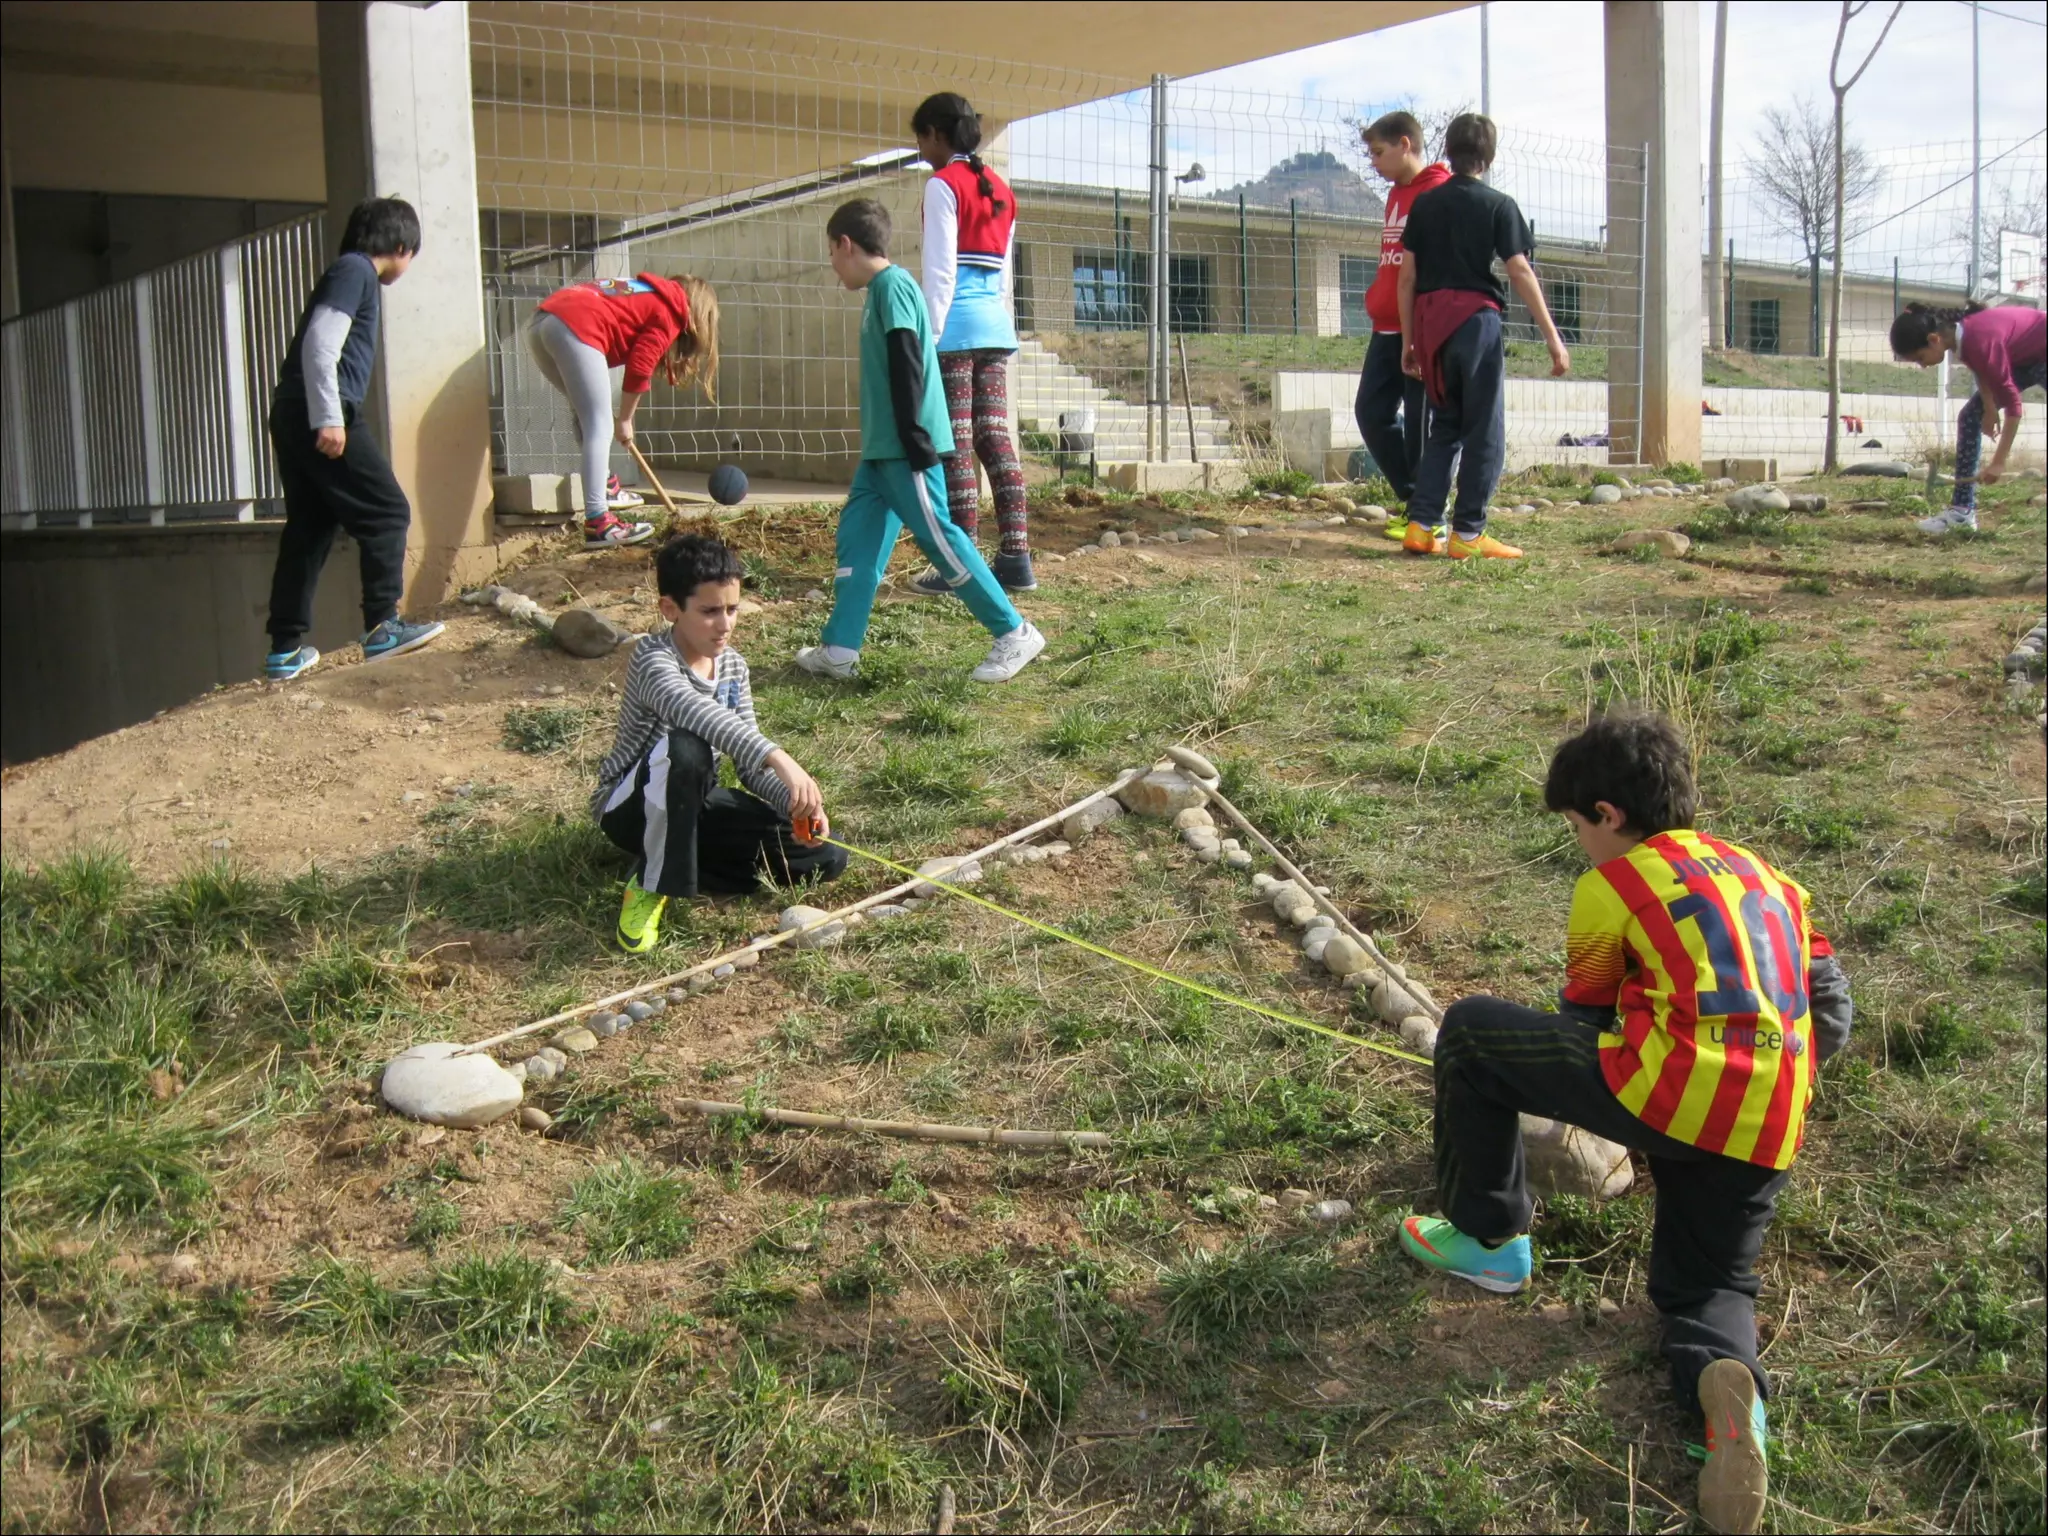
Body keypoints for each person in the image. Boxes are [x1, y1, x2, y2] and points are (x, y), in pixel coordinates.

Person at [1397, 711, 1854, 1536]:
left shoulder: (1615, 885)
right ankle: (1727, 1389)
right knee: (1709, 1287)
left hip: (1664, 1093)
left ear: (1606, 815)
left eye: (1577, 827)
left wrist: (1576, 1113)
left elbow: (1583, 1018)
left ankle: (1489, 1238)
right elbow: (1831, 1004)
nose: (1580, 844)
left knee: (1470, 1032)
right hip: (1766, 1121)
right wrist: (1785, 1078)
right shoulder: (1769, 877)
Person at [796, 198, 1046, 686]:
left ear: (846, 244)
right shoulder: (878, 292)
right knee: (858, 541)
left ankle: (1014, 632)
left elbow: (907, 355)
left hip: (905, 446)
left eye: (830, 252)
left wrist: (914, 435)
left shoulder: (894, 286)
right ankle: (839, 650)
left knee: (941, 539)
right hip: (880, 453)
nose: (832, 264)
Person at [594, 534, 846, 953]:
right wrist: (778, 756)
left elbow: (748, 767)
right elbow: (693, 711)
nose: (725, 624)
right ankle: (649, 885)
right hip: (629, 807)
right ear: (670, 609)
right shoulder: (652, 658)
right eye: (709, 611)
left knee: (824, 857)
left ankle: (677, 861)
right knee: (686, 748)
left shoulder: (733, 666)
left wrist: (795, 804)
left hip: (692, 801)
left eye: (732, 609)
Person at [263, 197, 445, 681]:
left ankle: (284, 649)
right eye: (412, 254)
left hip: (292, 410)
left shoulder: (348, 271)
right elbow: (321, 344)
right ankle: (382, 626)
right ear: (402, 246)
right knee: (387, 511)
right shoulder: (356, 271)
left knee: (310, 526)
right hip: (320, 409)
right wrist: (329, 417)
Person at [1396, 113, 1571, 560]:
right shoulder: (1498, 205)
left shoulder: (1424, 205)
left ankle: (1421, 525)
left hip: (1431, 321)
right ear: (1488, 157)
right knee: (1484, 429)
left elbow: (1407, 277)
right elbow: (1519, 270)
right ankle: (1469, 533)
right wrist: (1553, 337)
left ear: (1448, 151)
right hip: (1475, 321)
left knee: (1445, 424)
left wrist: (1409, 341)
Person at [905, 92, 1037, 596]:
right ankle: (1016, 559)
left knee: (956, 444)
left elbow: (939, 273)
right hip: (995, 331)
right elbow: (1004, 278)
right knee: (994, 438)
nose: (920, 149)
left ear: (937, 135)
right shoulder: (1001, 190)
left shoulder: (942, 186)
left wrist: (929, 340)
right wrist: (999, 325)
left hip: (954, 332)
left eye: (921, 138)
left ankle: (961, 565)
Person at [529, 270, 721, 549]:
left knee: (587, 415)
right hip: (574, 324)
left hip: (542, 323)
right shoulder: (669, 311)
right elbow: (640, 368)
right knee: (600, 424)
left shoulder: (647, 293)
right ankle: (599, 524)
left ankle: (606, 486)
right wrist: (626, 420)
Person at [1355, 110, 1451, 548]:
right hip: (1386, 327)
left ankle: (1430, 515)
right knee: (1371, 412)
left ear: (1405, 144)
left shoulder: (1438, 193)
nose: (1373, 162)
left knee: (1420, 424)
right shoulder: (1396, 194)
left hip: (1421, 327)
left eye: (1379, 152)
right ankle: (1416, 499)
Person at [1890, 299, 2046, 535]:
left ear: (1933, 339)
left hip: (2040, 353)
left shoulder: (1978, 339)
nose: (1922, 366)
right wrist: (1989, 408)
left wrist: (1998, 463)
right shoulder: (1960, 338)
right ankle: (1962, 513)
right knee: (1970, 417)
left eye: (1920, 358)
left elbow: (2014, 407)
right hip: (2025, 357)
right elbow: (1982, 369)